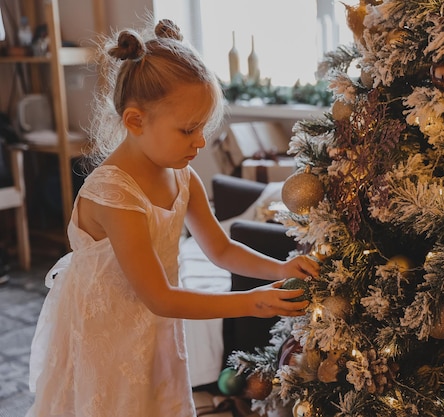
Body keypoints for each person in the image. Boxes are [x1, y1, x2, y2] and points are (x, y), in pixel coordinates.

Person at [26, 19, 319, 417]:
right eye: (189, 130)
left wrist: (280, 267)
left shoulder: (182, 176)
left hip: (155, 330)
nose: (200, 142)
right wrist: (251, 302)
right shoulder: (115, 193)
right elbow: (159, 296)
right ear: (135, 121)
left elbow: (221, 248)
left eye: (204, 128)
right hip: (110, 334)